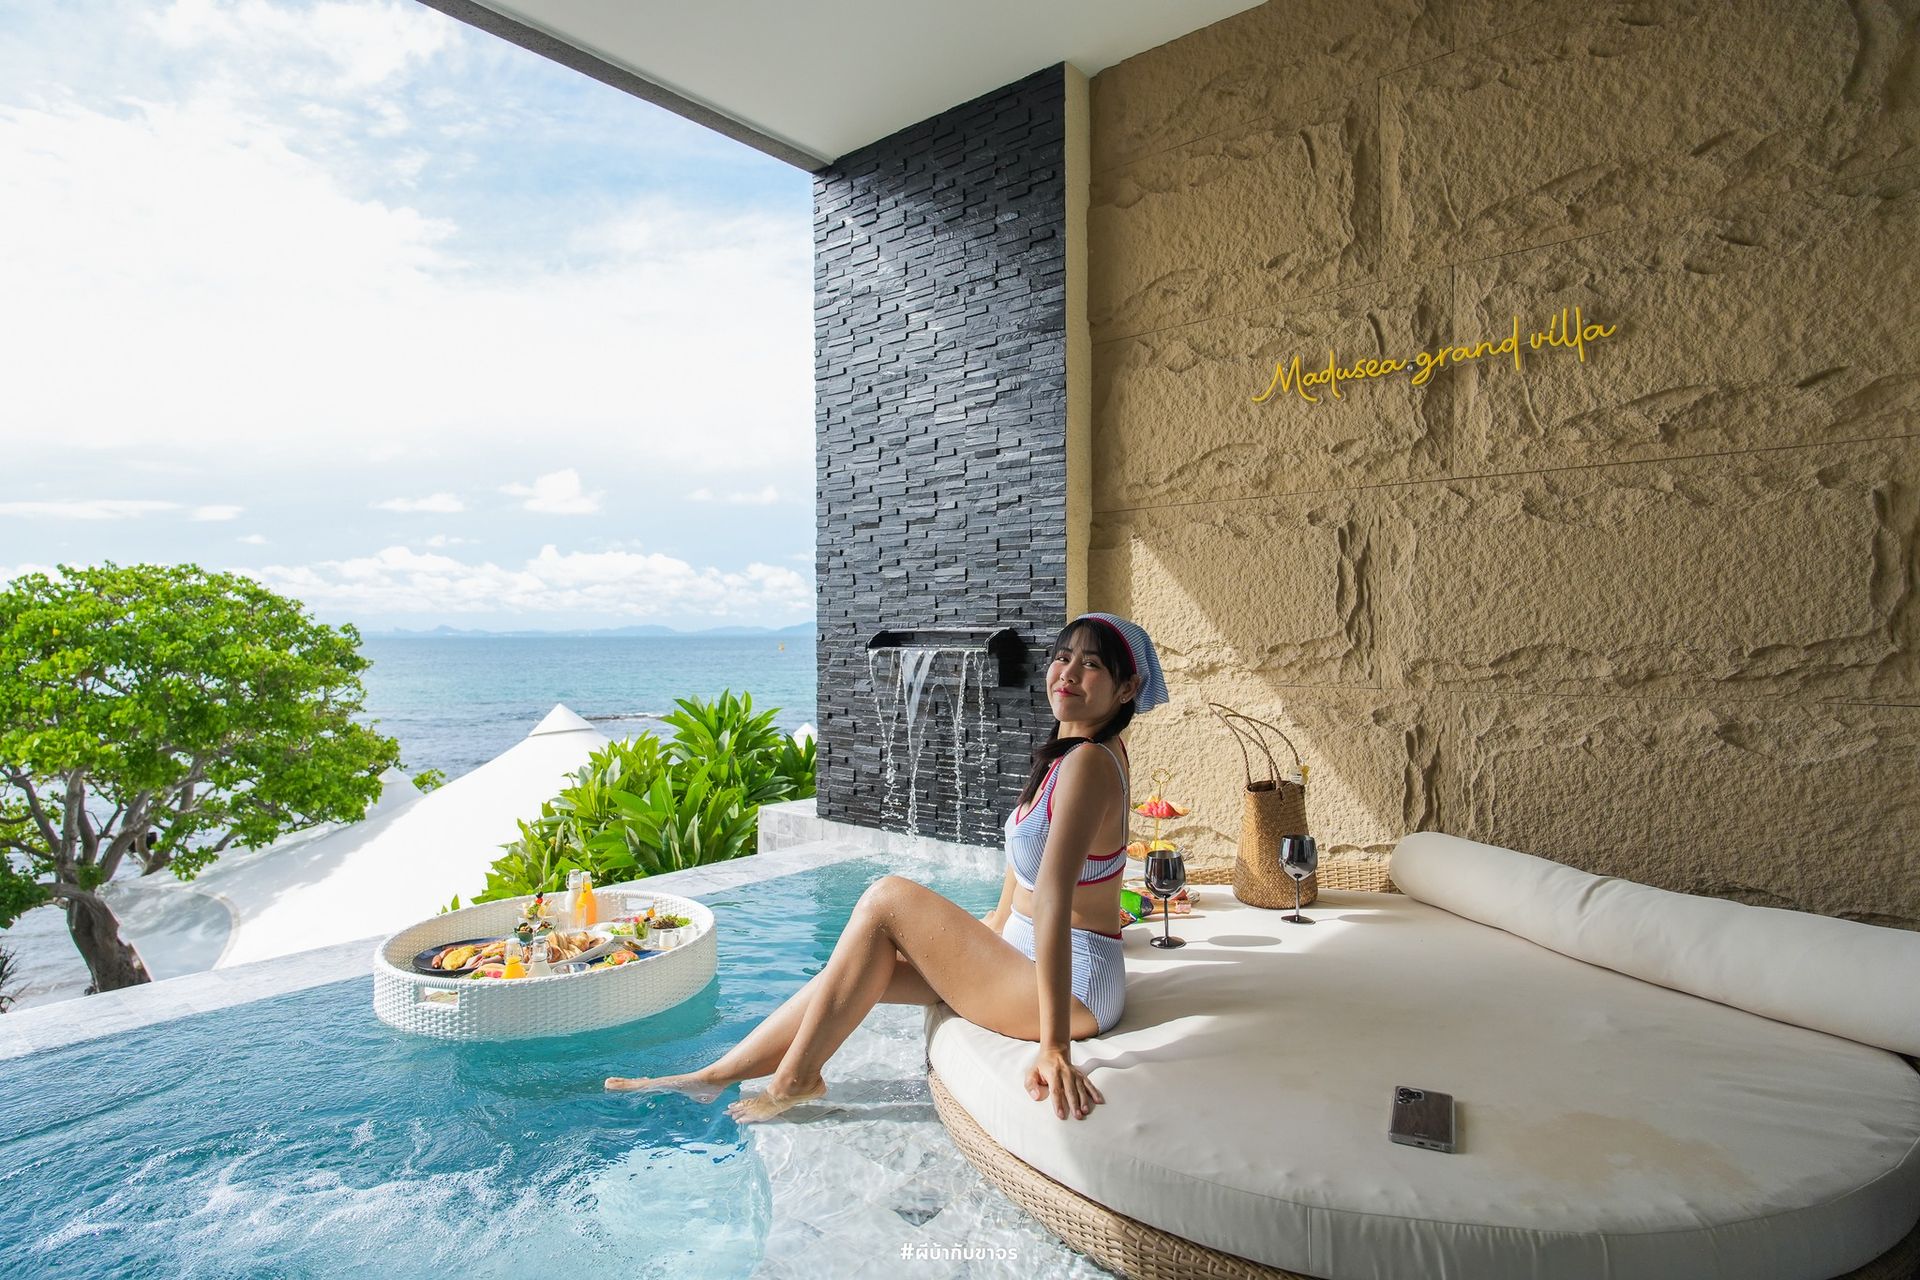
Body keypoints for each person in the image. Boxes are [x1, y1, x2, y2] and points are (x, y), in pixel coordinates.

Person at [605, 612, 1170, 1123]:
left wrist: (1053, 1049)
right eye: (1063, 657)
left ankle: (796, 1079)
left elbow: (1050, 897)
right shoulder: (1066, 754)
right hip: (1025, 957)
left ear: (1126, 688)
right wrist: (985, 933)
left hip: (1075, 993)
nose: (1068, 673)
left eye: (1092, 664)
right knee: (857, 967)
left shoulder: (1090, 765)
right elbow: (1019, 875)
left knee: (887, 898)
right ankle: (714, 1076)